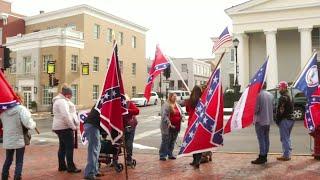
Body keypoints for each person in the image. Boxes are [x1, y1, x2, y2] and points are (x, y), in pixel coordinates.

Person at [1, 93, 36, 180]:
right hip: (19, 139)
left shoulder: (3, 111)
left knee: (8, 159)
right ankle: (17, 177)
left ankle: (4, 176)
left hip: (8, 139)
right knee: (19, 161)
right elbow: (28, 123)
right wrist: (33, 124)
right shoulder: (21, 109)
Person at [52, 84, 81, 173]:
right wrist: (73, 126)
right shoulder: (62, 102)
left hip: (59, 127)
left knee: (62, 147)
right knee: (69, 147)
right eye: (70, 95)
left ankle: (62, 166)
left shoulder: (59, 101)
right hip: (65, 127)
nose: (71, 97)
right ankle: (71, 167)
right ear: (67, 94)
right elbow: (66, 116)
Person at [251, 83, 274, 164]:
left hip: (260, 120)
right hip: (268, 120)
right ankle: (265, 155)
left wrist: (251, 110)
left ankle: (262, 156)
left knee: (261, 139)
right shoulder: (270, 95)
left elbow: (256, 109)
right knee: (266, 138)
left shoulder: (258, 95)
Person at [159, 93, 183, 161]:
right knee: (166, 141)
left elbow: (182, 112)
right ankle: (162, 155)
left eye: (176, 96)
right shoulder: (166, 105)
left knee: (172, 141)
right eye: (174, 96)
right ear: (170, 97)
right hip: (167, 127)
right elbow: (164, 115)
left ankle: (170, 154)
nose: (175, 98)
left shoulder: (177, 105)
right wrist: (169, 123)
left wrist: (183, 117)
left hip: (176, 126)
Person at [84, 106, 104, 180]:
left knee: (97, 149)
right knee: (93, 150)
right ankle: (89, 173)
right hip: (92, 125)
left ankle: (94, 170)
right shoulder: (105, 102)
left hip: (93, 125)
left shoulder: (103, 101)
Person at [276, 81, 294, 161]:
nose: (278, 89)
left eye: (279, 88)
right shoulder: (289, 96)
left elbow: (281, 111)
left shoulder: (283, 97)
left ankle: (286, 155)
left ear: (283, 88)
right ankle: (287, 153)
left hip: (285, 120)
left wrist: (277, 119)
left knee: (284, 138)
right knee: (287, 137)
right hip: (290, 119)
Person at [185, 85, 203, 168]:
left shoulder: (189, 101)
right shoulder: (201, 101)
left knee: (192, 142)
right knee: (199, 143)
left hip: (191, 123)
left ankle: (194, 159)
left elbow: (187, 110)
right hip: (199, 123)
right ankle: (198, 160)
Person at [123, 94, 139, 165]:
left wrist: (126, 110)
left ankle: (129, 158)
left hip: (130, 126)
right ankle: (115, 159)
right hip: (120, 126)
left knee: (128, 143)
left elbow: (137, 111)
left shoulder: (128, 103)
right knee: (116, 143)